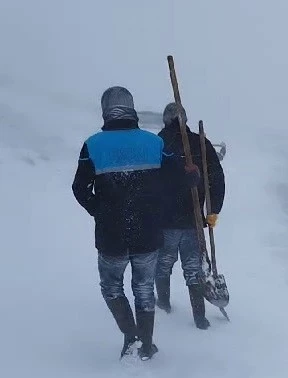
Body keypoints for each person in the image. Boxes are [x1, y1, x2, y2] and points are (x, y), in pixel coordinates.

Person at [72, 87, 199, 360]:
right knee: (143, 288)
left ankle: (131, 336)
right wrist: (192, 175)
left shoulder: (93, 145)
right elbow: (178, 179)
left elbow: (80, 188)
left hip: (111, 236)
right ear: (132, 109)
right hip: (149, 232)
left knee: (112, 288)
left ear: (106, 109)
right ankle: (147, 344)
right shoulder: (153, 143)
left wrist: (99, 211)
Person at [155, 102, 225, 330]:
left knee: (163, 265)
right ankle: (200, 319)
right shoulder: (200, 142)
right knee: (193, 269)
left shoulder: (159, 142)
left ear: (166, 120)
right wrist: (213, 209)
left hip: (165, 221)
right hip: (193, 220)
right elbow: (217, 178)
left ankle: (163, 305)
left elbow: (148, 181)